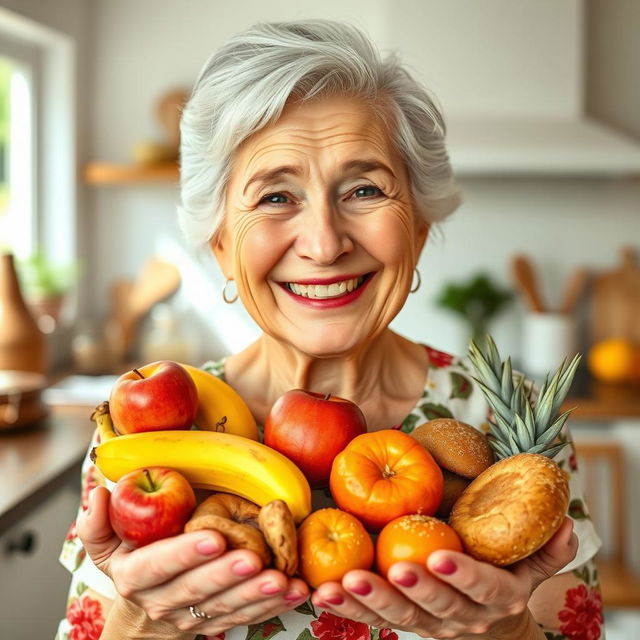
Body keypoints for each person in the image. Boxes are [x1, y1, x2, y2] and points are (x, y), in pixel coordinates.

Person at [56, 19, 604, 640]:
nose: (323, 244)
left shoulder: (512, 423)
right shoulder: (148, 431)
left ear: (418, 228)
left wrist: (501, 632)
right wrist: (146, 623)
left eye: (365, 189)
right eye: (274, 197)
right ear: (220, 247)